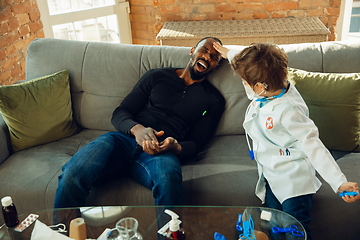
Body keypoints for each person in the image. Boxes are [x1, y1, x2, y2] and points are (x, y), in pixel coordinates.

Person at [53, 37, 225, 210]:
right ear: (192, 50)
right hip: (122, 141)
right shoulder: (156, 76)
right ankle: (61, 235)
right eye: (204, 50)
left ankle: (171, 236)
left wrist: (174, 147)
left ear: (216, 66)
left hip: (160, 153)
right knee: (72, 174)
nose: (208, 57)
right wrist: (138, 130)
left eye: (214, 57)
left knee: (169, 181)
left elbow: (197, 142)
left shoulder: (214, 100)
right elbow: (120, 112)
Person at [213, 42, 359, 239]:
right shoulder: (269, 87)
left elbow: (313, 145)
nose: (244, 84)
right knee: (273, 225)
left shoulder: (290, 111)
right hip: (271, 176)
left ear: (259, 87)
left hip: (294, 181)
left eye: (245, 82)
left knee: (295, 230)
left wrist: (339, 182)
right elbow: (256, 62)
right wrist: (228, 53)